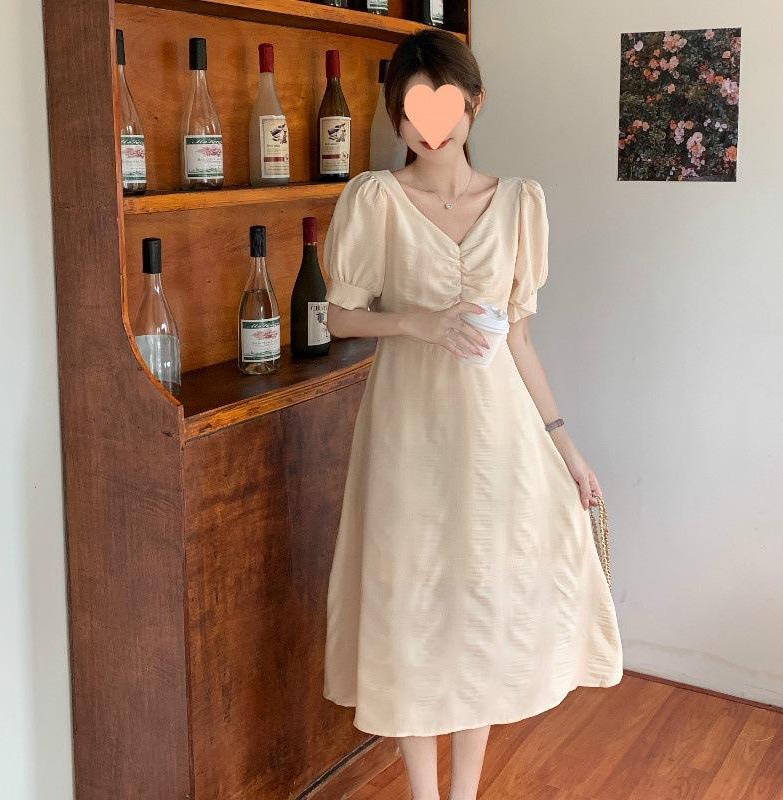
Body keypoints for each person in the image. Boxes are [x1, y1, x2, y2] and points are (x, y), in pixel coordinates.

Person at [322, 28, 623, 800]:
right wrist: (416, 322)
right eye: (411, 108)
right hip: (408, 433)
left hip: (499, 441)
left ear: (475, 104)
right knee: (411, 607)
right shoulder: (375, 200)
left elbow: (518, 339)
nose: (429, 124)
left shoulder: (519, 203)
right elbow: (340, 315)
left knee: (479, 607)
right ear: (396, 114)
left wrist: (567, 449)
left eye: (445, 104)